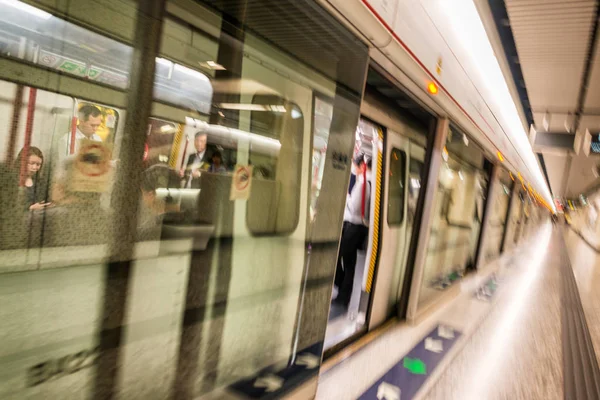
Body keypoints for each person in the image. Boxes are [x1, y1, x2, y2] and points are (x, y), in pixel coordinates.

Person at [333, 154, 371, 310]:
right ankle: (343, 294)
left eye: (355, 165)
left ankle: (343, 292)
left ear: (361, 165)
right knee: (349, 263)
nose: (353, 168)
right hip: (354, 228)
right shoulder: (364, 182)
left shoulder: (363, 184)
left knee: (341, 260)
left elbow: (354, 208)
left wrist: (346, 198)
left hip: (353, 228)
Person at [139, 164, 188, 241]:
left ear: (151, 195)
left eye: (143, 193)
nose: (143, 198)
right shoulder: (191, 224)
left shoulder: (146, 234)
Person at [14, 146, 51, 211]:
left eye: (38, 164)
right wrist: (30, 208)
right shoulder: (11, 180)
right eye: (31, 163)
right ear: (22, 161)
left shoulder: (40, 182)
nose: (34, 167)